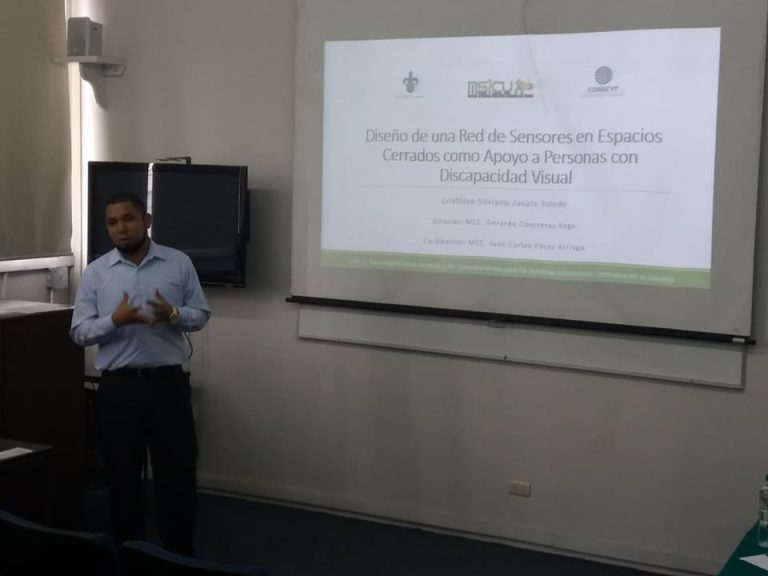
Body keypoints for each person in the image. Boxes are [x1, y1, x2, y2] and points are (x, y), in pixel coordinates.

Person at [70, 192, 210, 556]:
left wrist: (174, 315)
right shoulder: (97, 272)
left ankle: (179, 556)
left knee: (177, 478)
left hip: (168, 386)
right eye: (112, 222)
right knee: (122, 479)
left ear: (146, 221)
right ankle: (129, 555)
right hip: (119, 390)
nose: (121, 228)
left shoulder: (178, 263)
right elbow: (78, 332)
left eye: (128, 219)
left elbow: (201, 314)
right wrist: (113, 321)